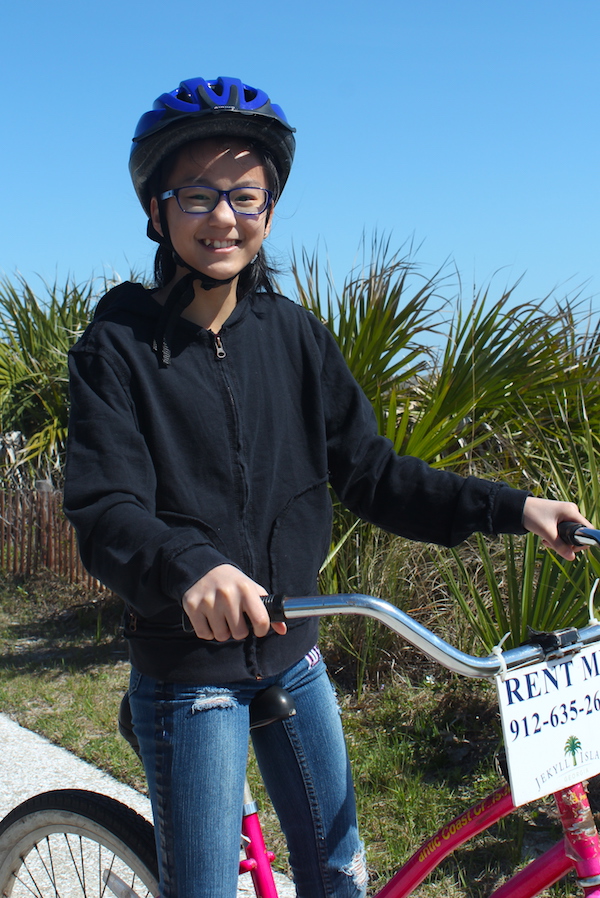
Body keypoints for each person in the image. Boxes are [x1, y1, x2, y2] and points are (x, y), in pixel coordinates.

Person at [63, 76, 591, 898]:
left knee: (340, 876)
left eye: (245, 193)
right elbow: (106, 508)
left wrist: (513, 507)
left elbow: (376, 475)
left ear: (269, 209)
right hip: (188, 673)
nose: (224, 217)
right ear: (158, 211)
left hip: (294, 657)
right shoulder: (116, 347)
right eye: (197, 195)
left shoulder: (296, 336)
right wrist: (190, 568)